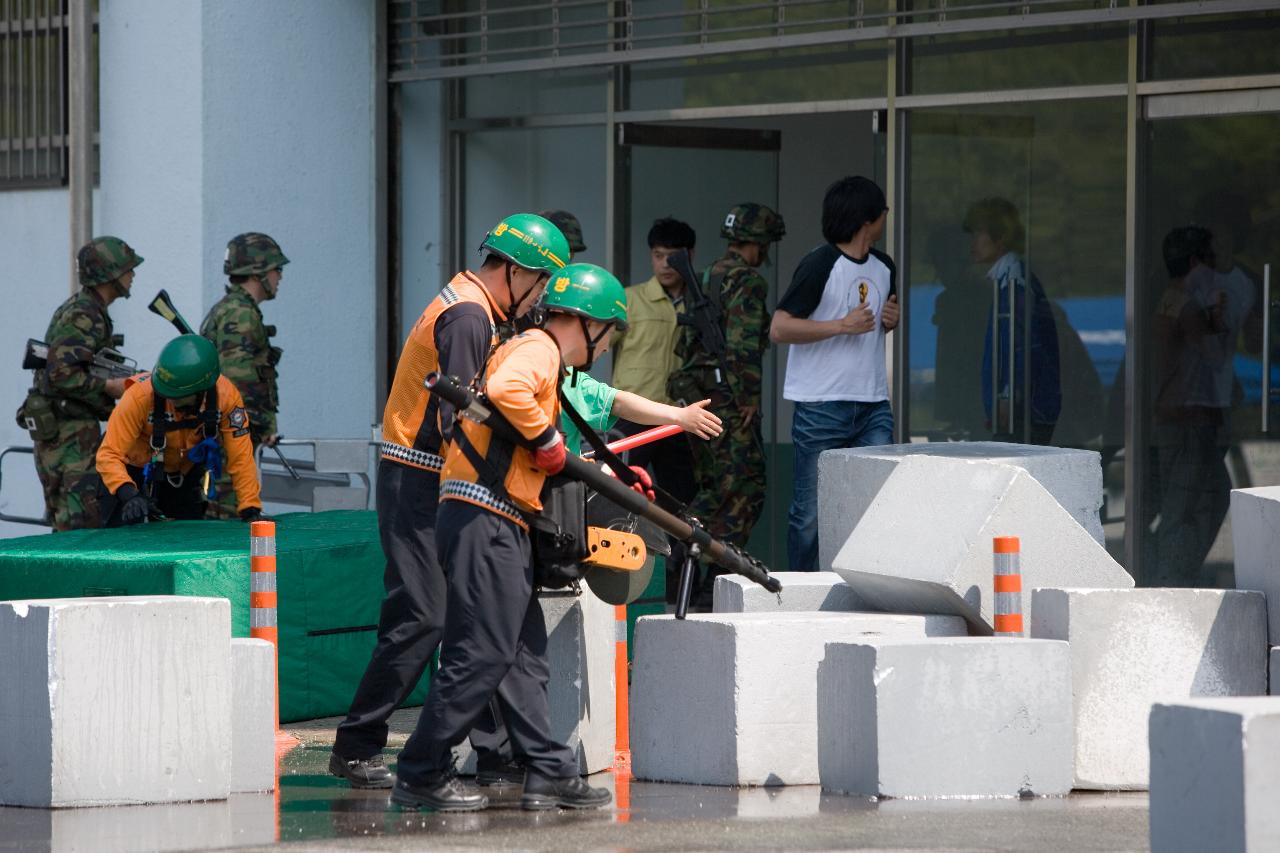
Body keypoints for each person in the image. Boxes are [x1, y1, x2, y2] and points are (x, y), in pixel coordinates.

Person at [329, 214, 568, 790]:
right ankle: (358, 744)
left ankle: (494, 751)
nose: (540, 301)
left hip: (431, 479)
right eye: (540, 285)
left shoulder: (473, 304)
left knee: (472, 615)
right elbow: (461, 412)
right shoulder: (468, 316)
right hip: (418, 478)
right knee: (423, 615)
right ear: (515, 271)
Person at [391, 263, 630, 812]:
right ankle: (421, 770)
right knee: (484, 651)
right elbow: (505, 388)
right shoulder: (540, 349)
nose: (609, 342)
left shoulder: (531, 347)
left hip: (496, 516)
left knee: (523, 653)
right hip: (484, 515)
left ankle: (548, 771)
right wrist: (547, 439)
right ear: (589, 324)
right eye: (610, 330)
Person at [771, 176, 900, 572]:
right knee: (809, 512)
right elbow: (779, 328)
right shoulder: (820, 263)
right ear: (869, 220)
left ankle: (869, 579)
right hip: (821, 404)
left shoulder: (884, 266)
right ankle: (802, 589)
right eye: (882, 212)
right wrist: (840, 326)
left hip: (873, 400)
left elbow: (877, 323)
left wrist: (889, 322)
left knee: (877, 499)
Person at [667, 203, 784, 602]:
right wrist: (749, 397)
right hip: (730, 399)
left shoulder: (703, 276)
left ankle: (684, 551)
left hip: (700, 397)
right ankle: (710, 568)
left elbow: (684, 342)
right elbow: (743, 344)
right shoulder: (748, 282)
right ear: (759, 243)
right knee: (747, 487)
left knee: (714, 485)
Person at [17, 237, 141, 530]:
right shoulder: (84, 314)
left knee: (76, 523)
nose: (133, 275)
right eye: (128, 269)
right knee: (77, 527)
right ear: (109, 274)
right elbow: (60, 374)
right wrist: (108, 387)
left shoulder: (89, 310)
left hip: (70, 434)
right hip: (68, 439)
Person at [95, 335, 263, 525]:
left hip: (181, 476)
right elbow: (108, 455)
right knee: (122, 542)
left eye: (178, 397)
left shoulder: (226, 397)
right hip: (130, 474)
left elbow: (240, 456)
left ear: (202, 391)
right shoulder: (138, 397)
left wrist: (250, 507)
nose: (170, 401)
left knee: (186, 541)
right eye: (165, 394)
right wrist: (128, 494)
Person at [1148, 226, 1233, 588]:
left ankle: (1171, 576)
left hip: (1179, 419)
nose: (1216, 268)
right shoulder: (1187, 306)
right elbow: (1213, 356)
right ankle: (1167, 583)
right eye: (1210, 259)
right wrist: (1217, 317)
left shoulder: (1170, 300)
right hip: (1186, 421)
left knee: (1199, 501)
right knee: (1185, 509)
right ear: (1195, 262)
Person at [200, 232, 289, 519]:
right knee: (230, 521)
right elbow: (236, 383)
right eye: (277, 269)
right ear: (258, 272)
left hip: (226, 435)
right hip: (232, 440)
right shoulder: (240, 314)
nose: (280, 277)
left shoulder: (230, 310)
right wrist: (261, 426)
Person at [965, 197, 1060, 444]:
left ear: (1000, 238)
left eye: (979, 234)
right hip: (1023, 408)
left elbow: (1021, 345)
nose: (973, 242)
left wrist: (1007, 397)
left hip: (1025, 411)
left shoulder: (1014, 282)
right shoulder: (1005, 280)